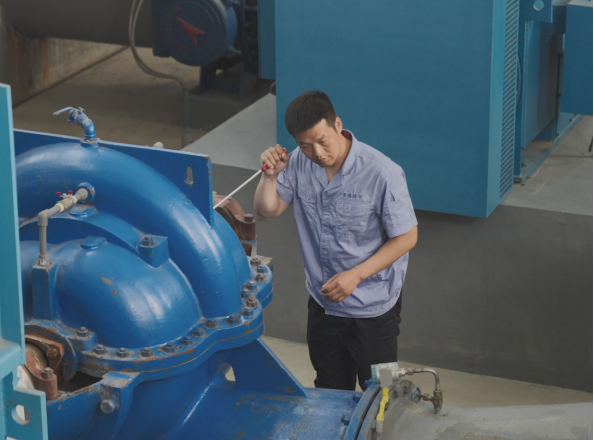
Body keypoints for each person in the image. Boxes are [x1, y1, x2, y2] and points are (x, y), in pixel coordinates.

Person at [254, 90, 418, 391]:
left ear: (338, 125)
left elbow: (407, 237)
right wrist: (270, 176)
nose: (317, 153)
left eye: (322, 140)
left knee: (383, 393)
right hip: (324, 305)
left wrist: (356, 275)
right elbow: (266, 212)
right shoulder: (298, 163)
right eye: (305, 145)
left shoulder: (382, 173)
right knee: (328, 388)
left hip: (374, 311)